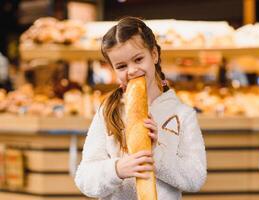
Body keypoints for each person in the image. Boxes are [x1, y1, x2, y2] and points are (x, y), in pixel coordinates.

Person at [75, 16, 207, 200]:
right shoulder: (107, 111)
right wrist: (117, 169)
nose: (132, 70)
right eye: (121, 66)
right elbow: (84, 179)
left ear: (154, 54)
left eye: (138, 59)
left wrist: (156, 155)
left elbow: (196, 178)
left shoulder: (183, 114)